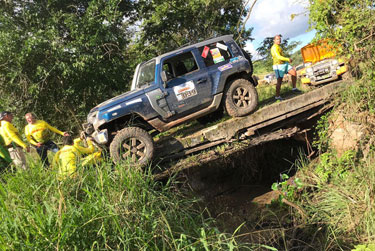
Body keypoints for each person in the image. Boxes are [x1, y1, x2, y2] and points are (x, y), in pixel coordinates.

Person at [270, 34, 301, 101]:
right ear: (274, 40)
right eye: (277, 39)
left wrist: (286, 61)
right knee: (279, 81)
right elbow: (278, 57)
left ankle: (294, 88)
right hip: (278, 66)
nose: (279, 40)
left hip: (284, 64)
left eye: (280, 39)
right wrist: (287, 59)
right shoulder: (274, 48)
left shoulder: (279, 47)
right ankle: (277, 96)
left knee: (294, 72)